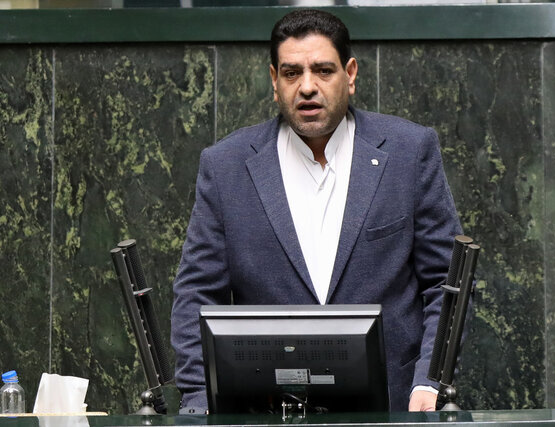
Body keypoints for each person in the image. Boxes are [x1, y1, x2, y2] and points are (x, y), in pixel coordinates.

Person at [171, 9, 462, 413]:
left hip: (394, 409)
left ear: (350, 74)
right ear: (274, 82)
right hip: (267, 414)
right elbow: (196, 296)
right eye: (291, 73)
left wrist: (430, 382)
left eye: (323, 70)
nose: (307, 87)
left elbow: (445, 285)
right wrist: (199, 400)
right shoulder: (226, 167)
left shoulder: (409, 153)